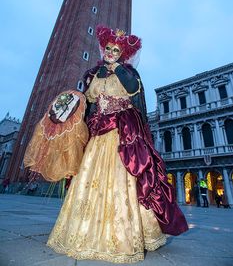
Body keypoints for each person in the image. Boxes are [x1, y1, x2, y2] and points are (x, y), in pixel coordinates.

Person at [47, 26, 188, 263]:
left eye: (116, 50)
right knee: (88, 177)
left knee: (123, 176)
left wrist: (118, 69)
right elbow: (87, 101)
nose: (111, 52)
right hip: (98, 132)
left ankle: (124, 234)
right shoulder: (94, 74)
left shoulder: (128, 72)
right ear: (103, 49)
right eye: (108, 48)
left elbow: (133, 89)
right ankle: (85, 231)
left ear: (122, 53)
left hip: (122, 130)